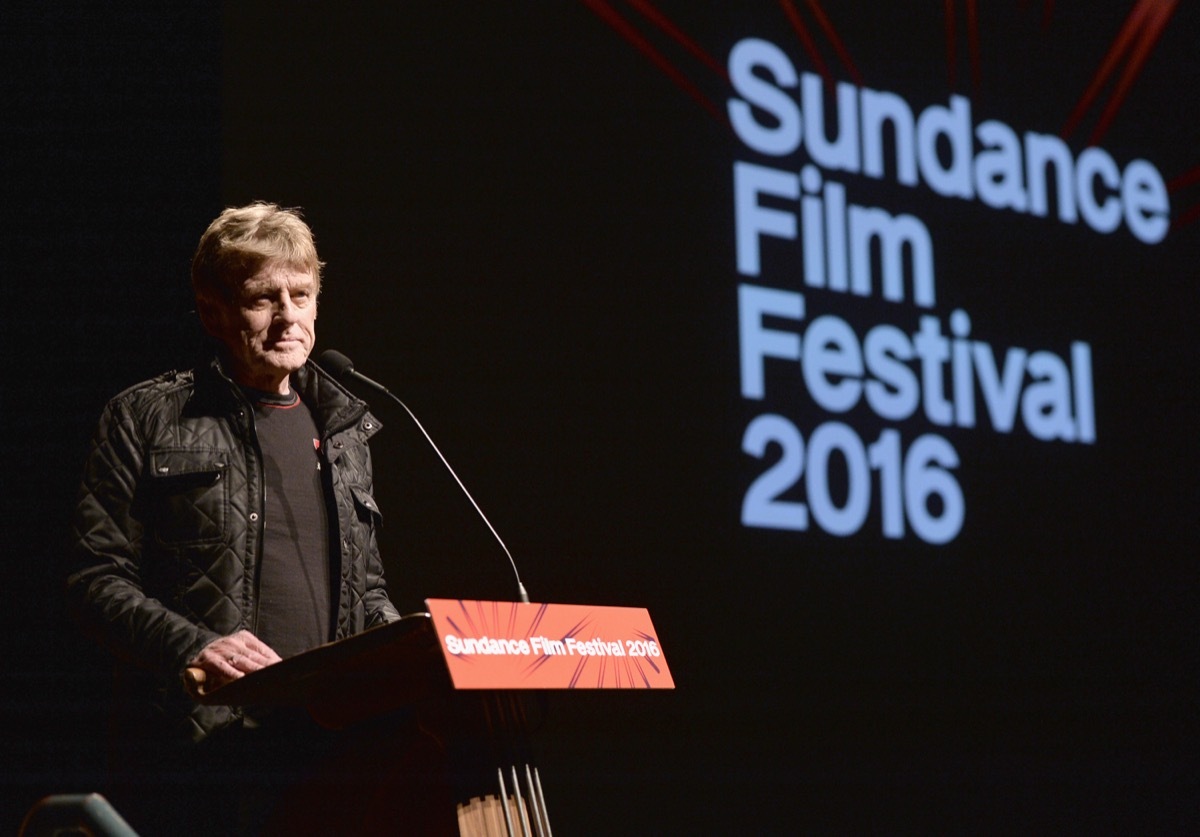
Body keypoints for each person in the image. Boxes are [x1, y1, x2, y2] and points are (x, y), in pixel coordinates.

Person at [66, 202, 403, 834]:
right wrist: (193, 645)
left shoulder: (344, 432)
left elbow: (368, 590)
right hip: (202, 756)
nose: (288, 316)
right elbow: (94, 580)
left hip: (331, 754)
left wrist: (413, 647)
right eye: (263, 298)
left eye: (301, 295)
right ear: (212, 311)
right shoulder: (146, 417)